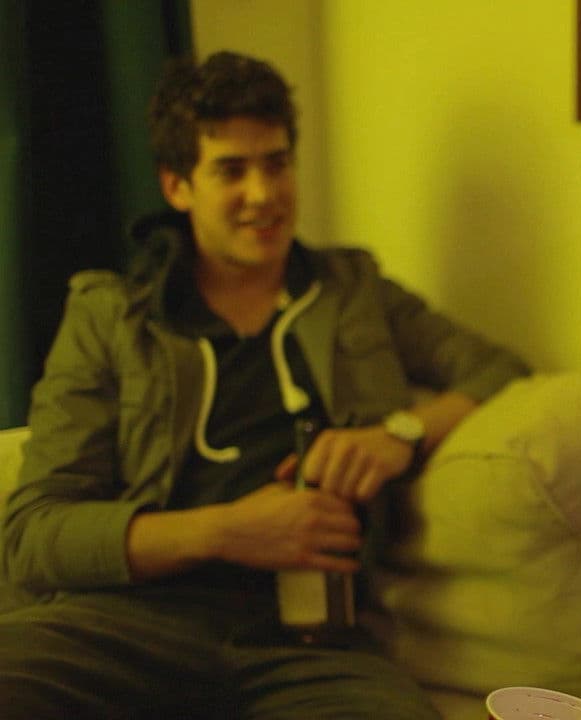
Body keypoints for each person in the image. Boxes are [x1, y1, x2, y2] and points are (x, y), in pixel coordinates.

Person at [0, 51, 529, 718]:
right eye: (231, 170)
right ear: (177, 187)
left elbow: (496, 369)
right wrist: (227, 531)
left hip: (310, 641)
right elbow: (34, 536)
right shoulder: (111, 316)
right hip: (126, 624)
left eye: (277, 164)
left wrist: (400, 434)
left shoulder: (352, 290)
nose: (264, 195)